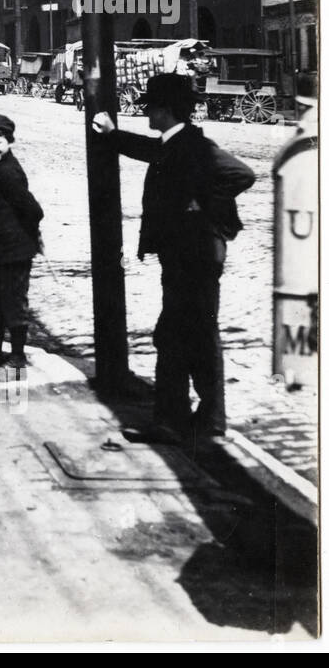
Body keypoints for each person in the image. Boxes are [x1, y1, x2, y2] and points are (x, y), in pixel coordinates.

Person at [92, 73, 255, 446]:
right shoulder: (177, 143)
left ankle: (179, 421)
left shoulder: (194, 147)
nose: (146, 111)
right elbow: (150, 149)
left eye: (150, 106)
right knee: (191, 335)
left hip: (195, 257)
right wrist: (113, 135)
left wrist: (199, 205)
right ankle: (201, 419)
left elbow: (242, 175)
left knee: (180, 335)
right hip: (186, 257)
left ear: (164, 109)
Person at [0, 113, 44, 374]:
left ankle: (17, 358)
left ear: (9, 141)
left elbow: (33, 210)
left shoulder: (8, 172)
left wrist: (30, 235)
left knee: (13, 304)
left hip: (14, 252)